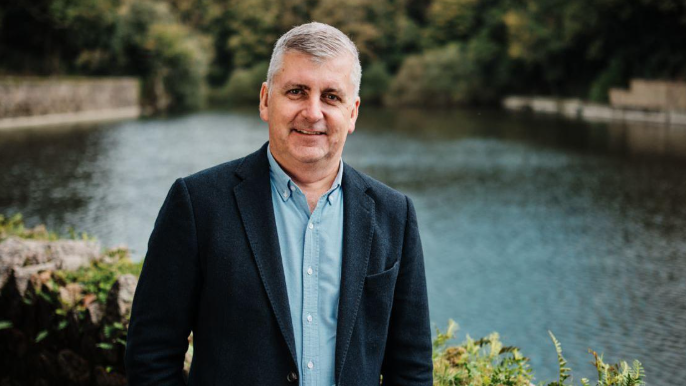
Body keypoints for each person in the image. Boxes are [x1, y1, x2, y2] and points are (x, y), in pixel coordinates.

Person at [125, 22, 432, 386]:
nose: (313, 112)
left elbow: (410, 367)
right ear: (265, 99)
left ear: (352, 113)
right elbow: (151, 356)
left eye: (331, 96)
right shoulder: (197, 205)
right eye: (297, 91)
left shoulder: (394, 214)